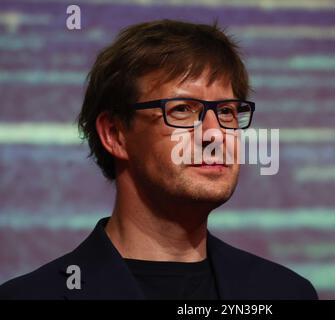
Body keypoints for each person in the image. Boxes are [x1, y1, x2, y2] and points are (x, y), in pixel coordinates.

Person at [0, 19, 317, 300]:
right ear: (115, 134)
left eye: (226, 112)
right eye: (181, 110)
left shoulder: (285, 292)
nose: (214, 134)